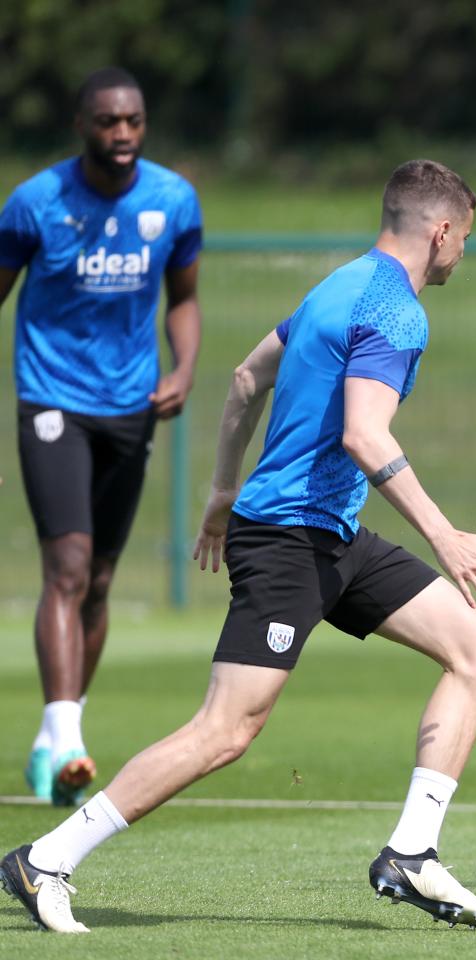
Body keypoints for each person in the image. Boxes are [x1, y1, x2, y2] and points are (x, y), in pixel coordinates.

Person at [1, 159, 476, 934]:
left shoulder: (334, 287)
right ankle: (45, 860)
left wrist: (217, 495)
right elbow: (365, 437)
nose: (464, 254)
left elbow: (245, 380)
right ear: (440, 230)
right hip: (287, 541)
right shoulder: (398, 312)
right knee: (226, 731)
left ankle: (412, 853)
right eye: (465, 238)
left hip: (330, 534)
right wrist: (444, 536)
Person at [0, 67, 203, 807]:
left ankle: (55, 744)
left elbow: (183, 299)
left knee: (102, 582)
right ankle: (66, 738)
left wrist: (184, 365)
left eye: (134, 123)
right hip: (52, 401)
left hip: (131, 408)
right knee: (69, 566)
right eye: (108, 123)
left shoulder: (173, 200)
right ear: (81, 125)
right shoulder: (34, 205)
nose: (122, 136)